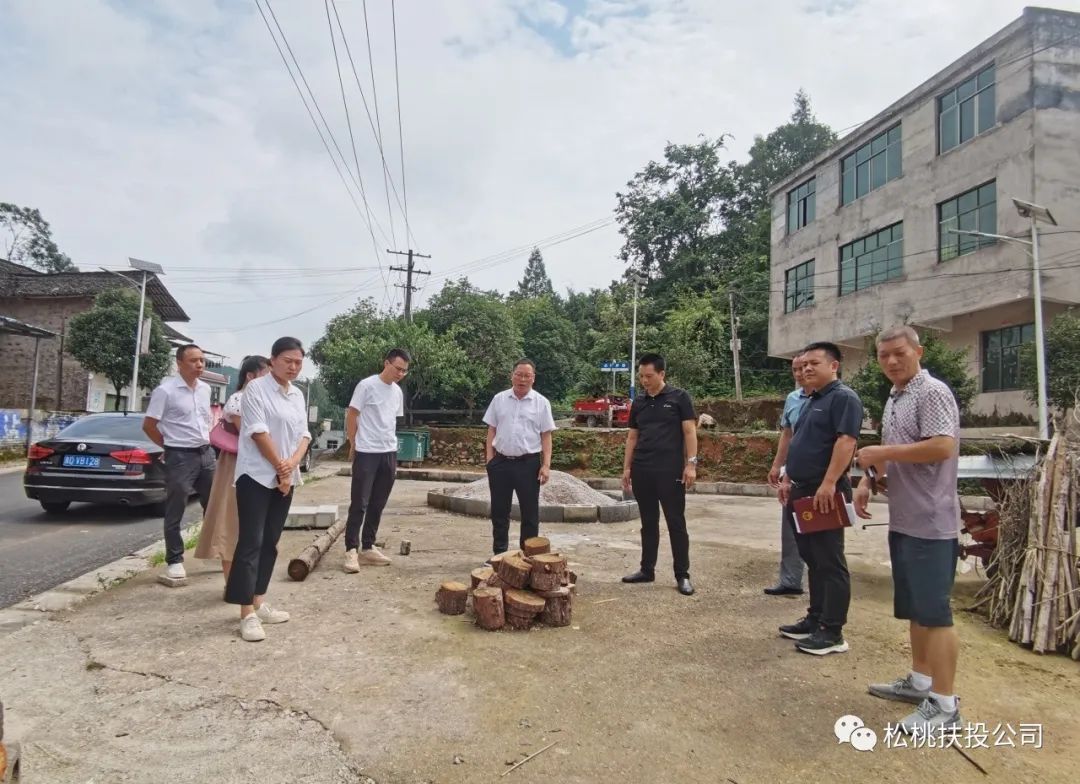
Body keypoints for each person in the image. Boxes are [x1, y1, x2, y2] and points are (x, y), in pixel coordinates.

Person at [854, 326, 963, 734]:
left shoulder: (931, 391)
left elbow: (942, 445)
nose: (891, 361)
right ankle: (920, 682)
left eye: (899, 353)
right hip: (905, 518)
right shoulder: (897, 396)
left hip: (931, 521)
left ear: (919, 351)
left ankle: (945, 705)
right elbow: (893, 454)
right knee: (916, 607)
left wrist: (882, 452)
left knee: (934, 613)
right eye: (883, 355)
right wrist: (869, 479)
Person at [777, 342, 863, 654]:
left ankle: (833, 631)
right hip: (801, 490)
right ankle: (815, 618)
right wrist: (788, 477)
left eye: (814, 363)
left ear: (834, 366)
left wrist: (828, 483)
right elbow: (798, 442)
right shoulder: (813, 399)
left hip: (824, 492)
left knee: (830, 560)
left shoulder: (843, 398)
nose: (807, 369)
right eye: (804, 364)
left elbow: (846, 441)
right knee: (812, 558)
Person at [225, 337, 311, 642]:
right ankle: (246, 612)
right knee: (251, 541)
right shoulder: (256, 389)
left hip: (285, 477)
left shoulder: (297, 394)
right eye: (288, 360)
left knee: (271, 541)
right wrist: (280, 467)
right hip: (256, 476)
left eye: (298, 362)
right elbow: (258, 432)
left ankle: (259, 601)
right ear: (272, 360)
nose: (293, 367)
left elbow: (304, 435)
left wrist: (291, 466)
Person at [621, 353, 698, 596]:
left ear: (662, 374)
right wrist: (627, 468)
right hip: (642, 469)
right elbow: (632, 436)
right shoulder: (639, 402)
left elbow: (689, 432)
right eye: (641, 376)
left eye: (649, 376)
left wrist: (691, 465)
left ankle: (682, 575)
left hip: (670, 470)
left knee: (676, 522)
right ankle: (647, 569)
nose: (645, 381)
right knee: (648, 522)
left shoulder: (679, 398)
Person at [143, 344, 216, 581]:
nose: (200, 364)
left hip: (206, 453)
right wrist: (169, 446)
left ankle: (214, 549)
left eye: (202, 360)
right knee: (176, 507)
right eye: (194, 360)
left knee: (213, 504)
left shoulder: (205, 389)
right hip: (180, 455)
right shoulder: (165, 391)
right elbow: (149, 425)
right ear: (179, 363)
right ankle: (174, 560)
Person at [195, 355, 269, 585]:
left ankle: (244, 584)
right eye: (266, 374)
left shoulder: (264, 399)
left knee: (252, 525)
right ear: (250, 376)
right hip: (236, 465)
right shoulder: (240, 399)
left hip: (257, 464)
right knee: (230, 522)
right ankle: (233, 585)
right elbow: (251, 435)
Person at [342, 348, 409, 572]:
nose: (400, 374)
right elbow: (352, 414)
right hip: (366, 451)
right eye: (398, 368)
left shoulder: (397, 392)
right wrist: (353, 443)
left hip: (388, 451)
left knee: (378, 502)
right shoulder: (366, 385)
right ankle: (351, 550)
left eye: (404, 371)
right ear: (386, 363)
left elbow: (391, 421)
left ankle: (368, 546)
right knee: (359, 502)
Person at [482, 359, 556, 557]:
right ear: (512, 376)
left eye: (527, 376)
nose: (522, 379)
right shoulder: (499, 399)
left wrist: (546, 465)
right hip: (500, 463)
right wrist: (490, 459)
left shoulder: (541, 403)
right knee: (499, 512)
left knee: (530, 513)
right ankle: (499, 554)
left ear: (533, 378)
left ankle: (528, 556)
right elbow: (491, 429)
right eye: (519, 374)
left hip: (528, 464)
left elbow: (546, 435)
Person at [764, 353, 811, 596]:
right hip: (794, 473)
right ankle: (791, 580)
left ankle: (823, 587)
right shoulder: (793, 399)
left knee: (821, 534)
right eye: (795, 369)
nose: (801, 373)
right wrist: (777, 466)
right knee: (791, 528)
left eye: (805, 367)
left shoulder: (835, 399)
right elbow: (787, 435)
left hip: (821, 476)